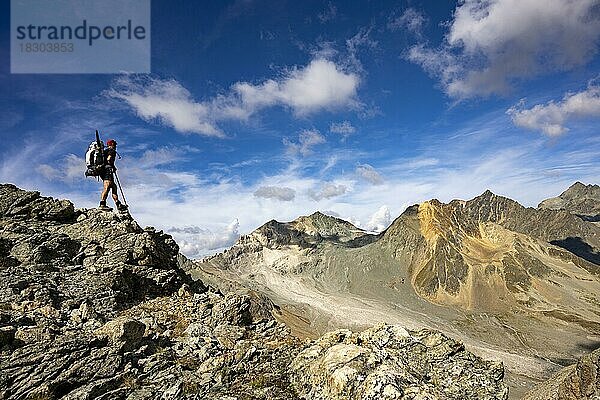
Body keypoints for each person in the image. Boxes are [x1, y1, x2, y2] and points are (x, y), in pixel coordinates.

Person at [99, 139, 127, 211]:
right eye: (114, 144)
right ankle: (102, 204)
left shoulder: (104, 151)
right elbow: (109, 159)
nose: (115, 146)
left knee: (114, 186)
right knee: (107, 186)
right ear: (112, 145)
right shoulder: (112, 151)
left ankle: (118, 204)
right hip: (107, 170)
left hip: (103, 171)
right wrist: (112, 166)